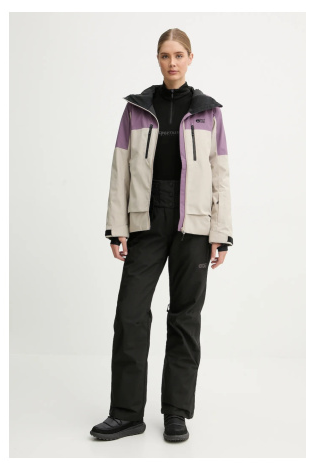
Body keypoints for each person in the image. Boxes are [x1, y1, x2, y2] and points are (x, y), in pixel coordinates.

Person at [90, 28, 233, 443]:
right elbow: (120, 170)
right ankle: (126, 414)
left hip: (194, 225)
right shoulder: (138, 109)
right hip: (147, 220)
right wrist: (117, 227)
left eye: (179, 55)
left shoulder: (208, 112)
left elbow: (221, 175)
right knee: (131, 314)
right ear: (157, 59)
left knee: (185, 318)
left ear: (190, 58)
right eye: (165, 55)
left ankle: (176, 413)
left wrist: (221, 232)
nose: (172, 62)